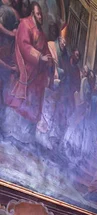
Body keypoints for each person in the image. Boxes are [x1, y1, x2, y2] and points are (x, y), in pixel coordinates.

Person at [4, 2, 52, 142]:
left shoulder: (41, 34)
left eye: (41, 14)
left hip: (37, 76)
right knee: (20, 101)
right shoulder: (25, 25)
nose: (40, 17)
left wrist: (49, 61)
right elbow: (24, 46)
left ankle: (27, 137)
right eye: (38, 14)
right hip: (27, 69)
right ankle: (12, 130)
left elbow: (46, 51)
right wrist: (39, 57)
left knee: (34, 104)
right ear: (32, 14)